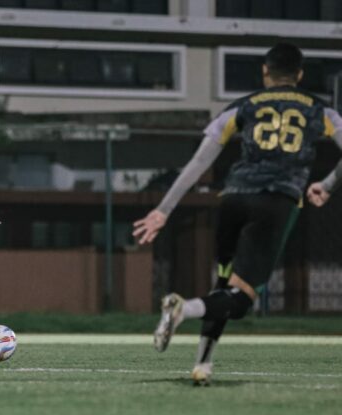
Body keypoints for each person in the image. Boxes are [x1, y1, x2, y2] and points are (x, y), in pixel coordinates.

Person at [133, 43, 342, 385]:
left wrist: (163, 210)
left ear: (265, 71)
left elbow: (200, 161)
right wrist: (329, 184)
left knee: (223, 286)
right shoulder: (321, 111)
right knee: (242, 300)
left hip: (233, 199)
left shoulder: (242, 107)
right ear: (300, 75)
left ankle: (203, 364)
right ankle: (183, 309)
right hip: (275, 201)